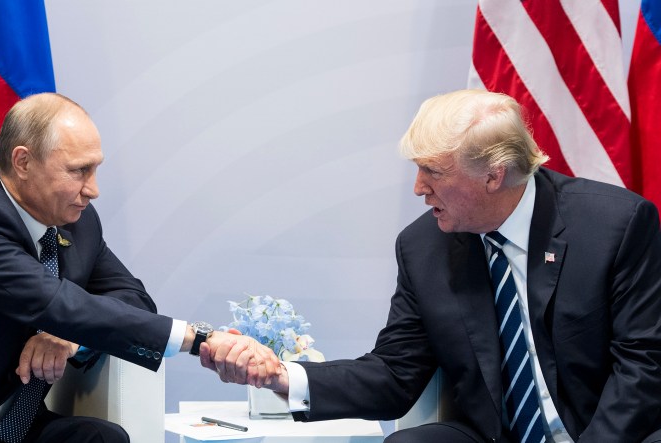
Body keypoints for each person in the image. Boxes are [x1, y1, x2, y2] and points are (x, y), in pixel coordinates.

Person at [204, 89, 661, 442]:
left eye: (433, 172)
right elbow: (394, 374)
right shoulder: (424, 247)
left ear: (494, 175)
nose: (419, 188)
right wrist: (283, 378)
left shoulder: (613, 226)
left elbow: (643, 367)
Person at [0, 93, 279, 443]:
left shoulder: (77, 220)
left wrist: (69, 338)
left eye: (95, 169)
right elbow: (56, 305)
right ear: (23, 161)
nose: (93, 189)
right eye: (78, 171)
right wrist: (200, 339)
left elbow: (134, 300)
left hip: (16, 422)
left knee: (103, 439)